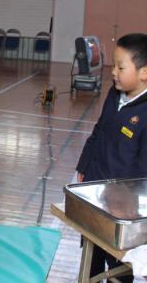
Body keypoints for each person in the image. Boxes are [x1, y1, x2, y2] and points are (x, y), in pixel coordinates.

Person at [76, 33, 147, 283]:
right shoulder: (113, 94)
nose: (114, 72)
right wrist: (84, 166)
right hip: (96, 189)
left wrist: (129, 200)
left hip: (123, 206)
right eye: (113, 66)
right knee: (91, 252)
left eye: (121, 66)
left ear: (144, 73)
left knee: (118, 265)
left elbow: (143, 168)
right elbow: (98, 130)